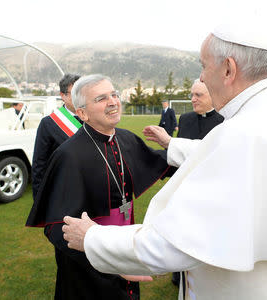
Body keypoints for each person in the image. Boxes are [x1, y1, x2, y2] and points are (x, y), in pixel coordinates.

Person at [62, 24, 267, 300]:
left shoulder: (244, 131)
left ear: (228, 69)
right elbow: (225, 158)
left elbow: (174, 243)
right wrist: (172, 144)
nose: (202, 78)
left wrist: (92, 239)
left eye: (204, 67)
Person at [26, 74, 170, 300]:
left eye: (114, 94)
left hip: (124, 242)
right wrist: (108, 259)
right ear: (82, 113)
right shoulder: (68, 155)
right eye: (101, 98)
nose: (113, 101)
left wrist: (188, 153)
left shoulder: (125, 138)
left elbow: (160, 161)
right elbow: (55, 226)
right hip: (86, 268)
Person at [170, 79, 223, 286]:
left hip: (212, 193)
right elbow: (180, 152)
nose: (193, 99)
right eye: (192, 94)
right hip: (185, 189)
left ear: (212, 95)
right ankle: (178, 273)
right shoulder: (186, 119)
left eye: (198, 95)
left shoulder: (225, 121)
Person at [31, 73, 80, 200]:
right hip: (62, 191)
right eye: (75, 92)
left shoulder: (94, 119)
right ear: (62, 96)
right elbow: (39, 164)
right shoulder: (48, 123)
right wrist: (39, 199)